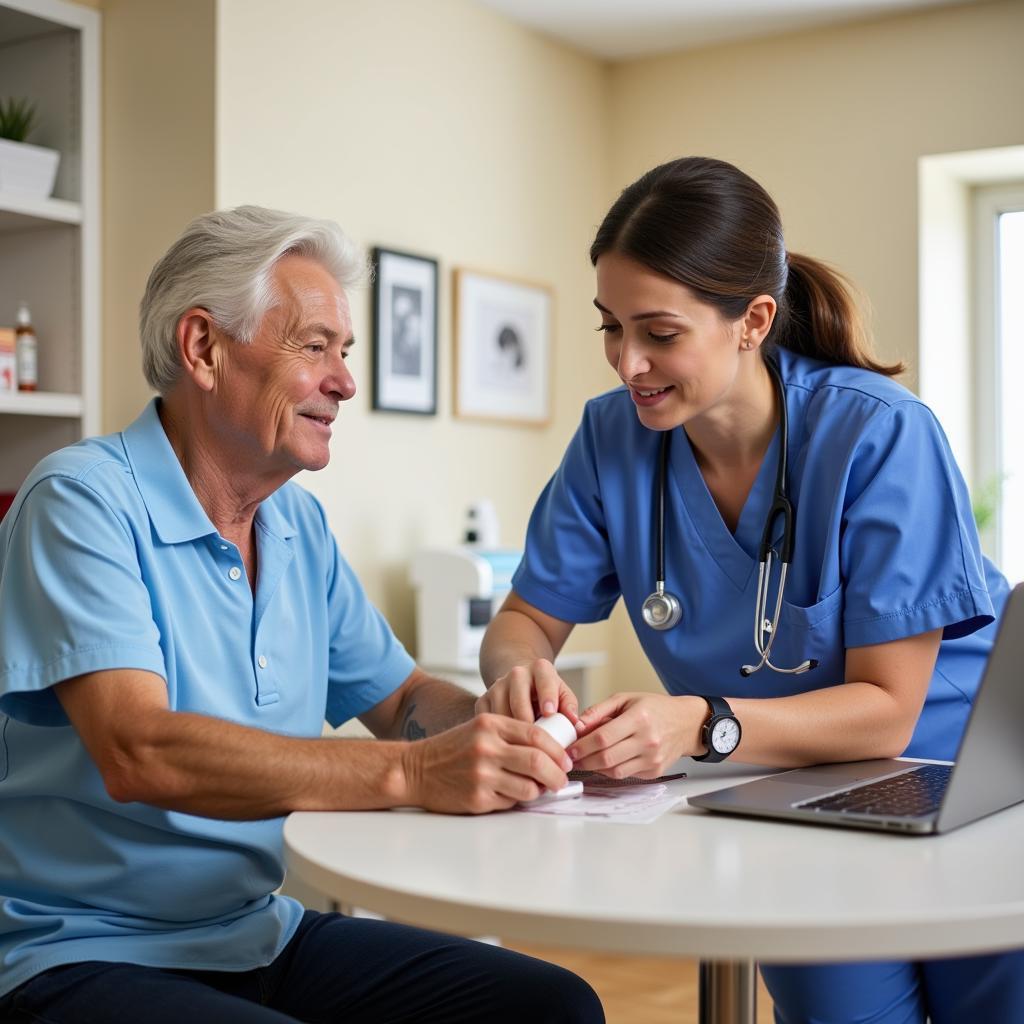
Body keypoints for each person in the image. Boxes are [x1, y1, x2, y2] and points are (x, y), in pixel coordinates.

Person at [0, 207, 604, 1024]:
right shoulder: (80, 501)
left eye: (345, 352)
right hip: (78, 951)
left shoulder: (296, 526)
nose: (346, 381)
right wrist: (419, 774)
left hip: (254, 931)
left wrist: (514, 726)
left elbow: (403, 705)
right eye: (315, 346)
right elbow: (138, 751)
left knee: (551, 1006)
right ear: (204, 348)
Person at [478, 156, 1023, 1024]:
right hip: (792, 793)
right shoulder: (610, 439)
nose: (628, 363)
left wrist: (700, 722)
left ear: (752, 321)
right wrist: (517, 670)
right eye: (609, 328)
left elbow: (888, 709)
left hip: (961, 783)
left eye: (658, 333)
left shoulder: (878, 435)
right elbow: (524, 620)